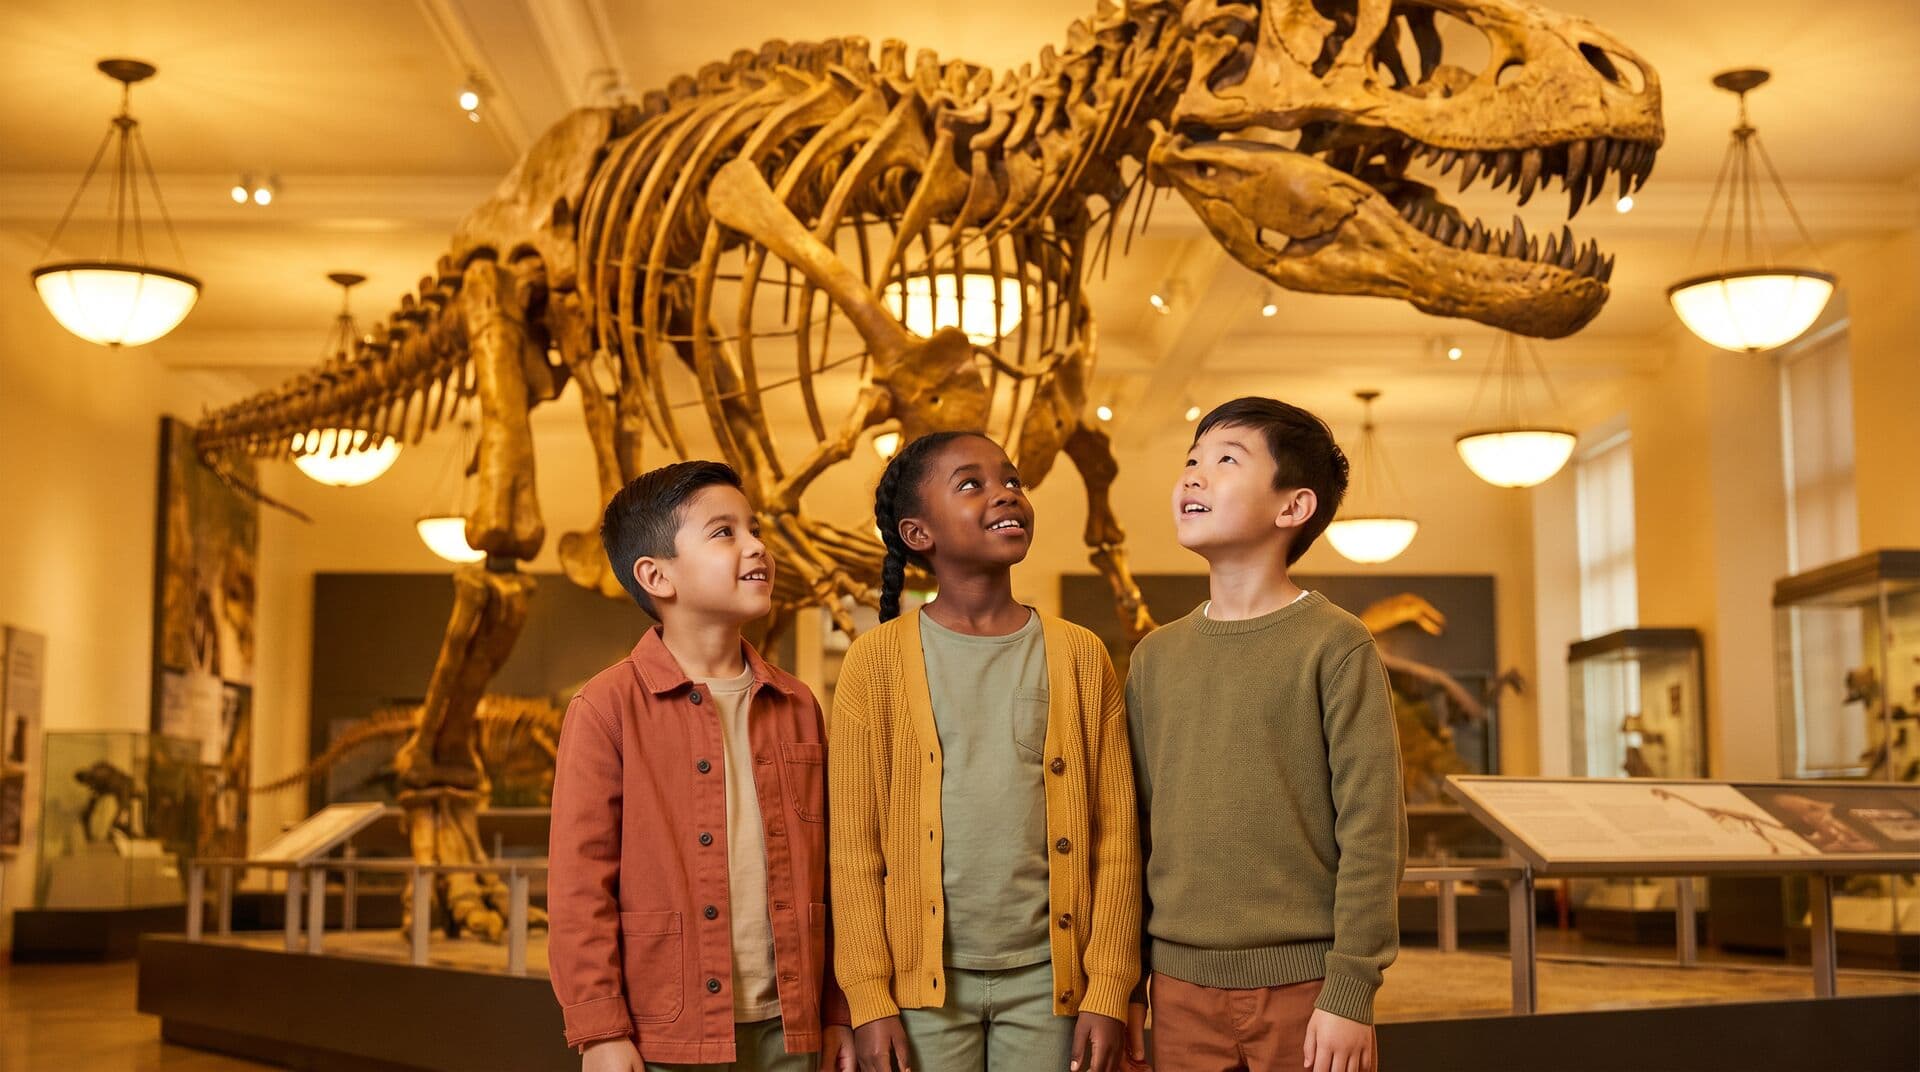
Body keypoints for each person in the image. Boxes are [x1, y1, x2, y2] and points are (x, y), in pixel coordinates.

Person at [828, 431, 1141, 1072]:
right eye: (971, 484)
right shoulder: (874, 663)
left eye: (1012, 480)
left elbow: (1117, 838)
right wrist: (869, 999)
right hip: (920, 991)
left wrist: (1109, 986)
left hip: (1052, 986)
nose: (1006, 494)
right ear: (918, 534)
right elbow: (854, 850)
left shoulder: (1080, 655)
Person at [1125, 398, 1407, 1072]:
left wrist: (1351, 991)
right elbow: (1132, 827)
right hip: (1178, 988)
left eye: (1226, 461)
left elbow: (1372, 830)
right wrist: (1130, 984)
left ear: (1293, 507)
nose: (1194, 476)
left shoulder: (1336, 644)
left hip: (1307, 990)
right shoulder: (1154, 657)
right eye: (1191, 461)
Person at [548, 460, 854, 1072]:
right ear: (657, 575)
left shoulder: (798, 704)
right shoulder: (606, 707)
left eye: (754, 528)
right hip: (666, 1036)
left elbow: (834, 870)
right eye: (725, 533)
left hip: (790, 1029)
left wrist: (837, 1013)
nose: (757, 546)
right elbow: (580, 886)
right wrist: (600, 1031)